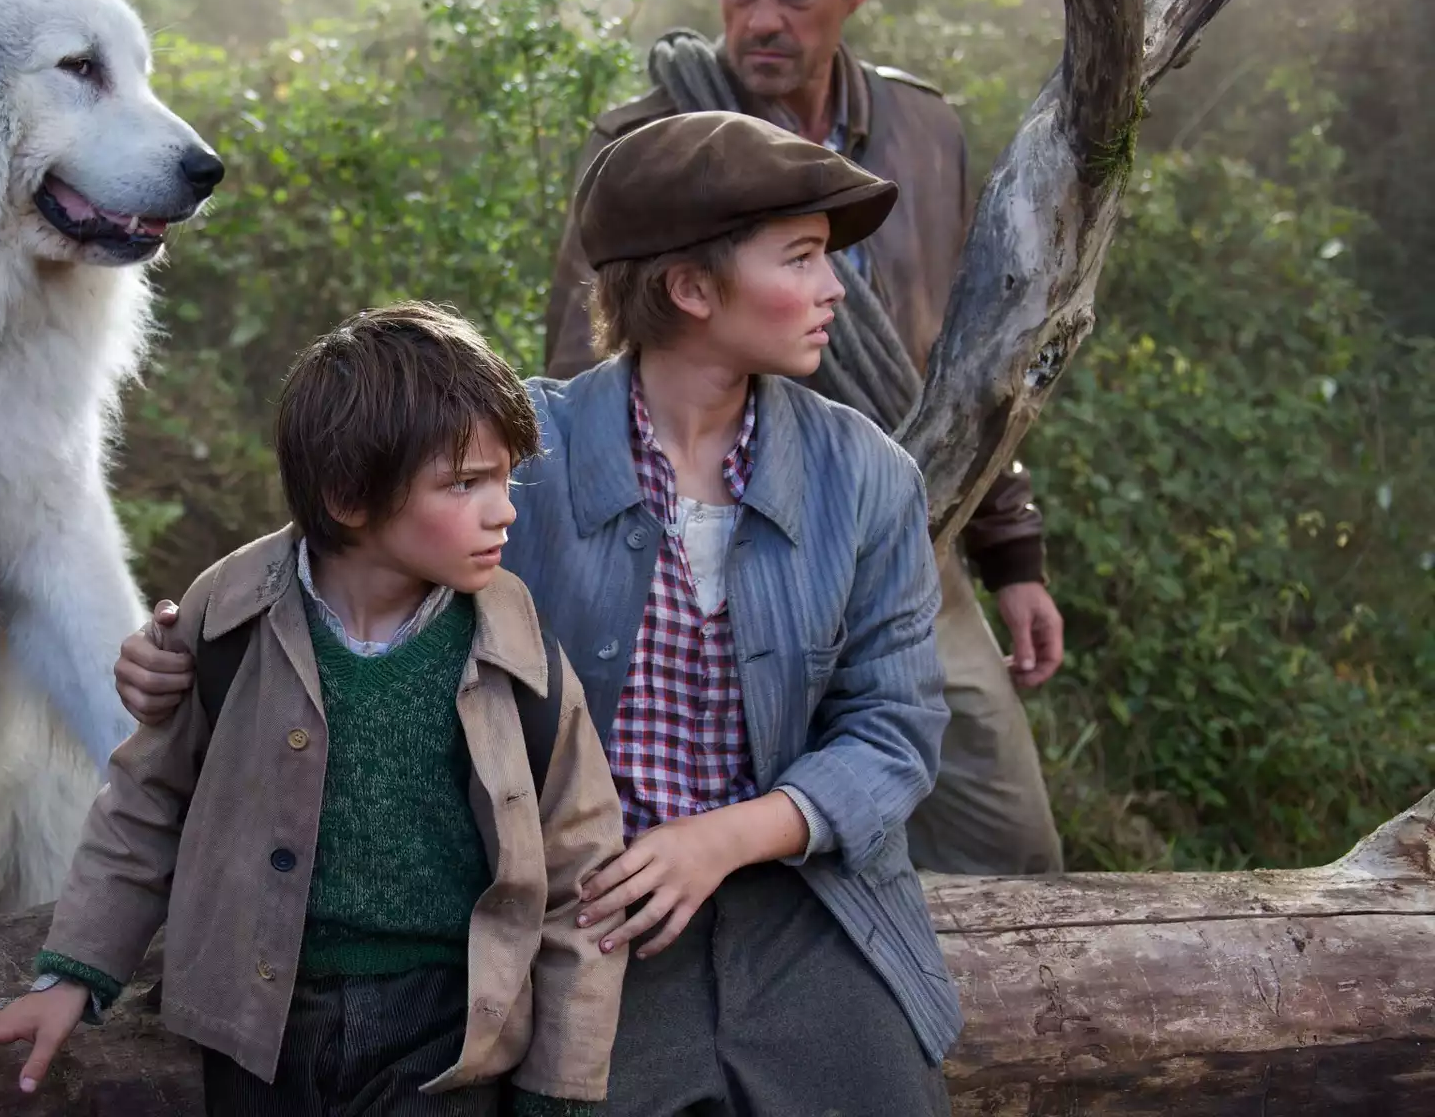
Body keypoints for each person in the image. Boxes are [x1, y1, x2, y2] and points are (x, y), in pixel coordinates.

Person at [122, 112, 960, 1115]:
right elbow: (344, 552)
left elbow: (896, 729)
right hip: (579, 912)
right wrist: (179, 640)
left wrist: (722, 838)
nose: (839, 289)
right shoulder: (520, 450)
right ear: (693, 289)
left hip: (806, 908)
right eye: (805, 258)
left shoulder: (867, 477)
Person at [0, 304, 629, 1115]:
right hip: (258, 1022)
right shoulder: (227, 618)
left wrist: (560, 1088)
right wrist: (71, 977)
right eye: (465, 483)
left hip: (446, 1032)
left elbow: (581, 876)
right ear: (347, 497)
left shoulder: (519, 650)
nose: (503, 508)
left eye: (504, 479)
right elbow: (147, 804)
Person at [542, 0, 1065, 876]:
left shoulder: (921, 134)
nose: (762, 19)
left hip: (909, 531)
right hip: (706, 541)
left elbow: (958, 370)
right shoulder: (649, 145)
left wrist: (1012, 552)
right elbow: (586, 364)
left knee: (1012, 847)